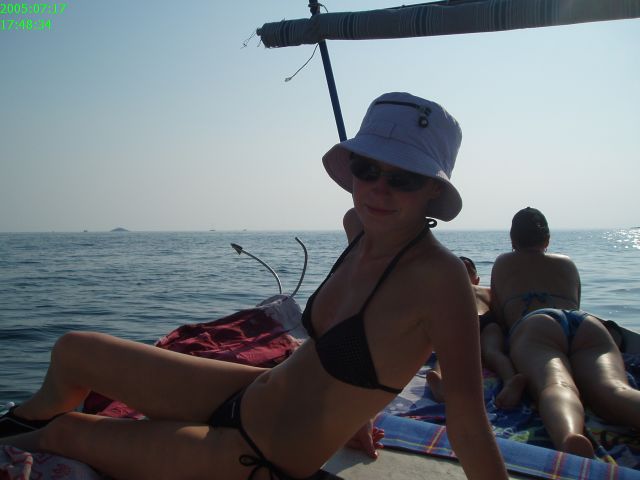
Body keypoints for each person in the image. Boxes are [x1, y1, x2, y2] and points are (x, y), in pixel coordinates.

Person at [0, 93, 508, 480]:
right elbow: (377, 349)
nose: (378, 187)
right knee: (75, 350)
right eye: (367, 167)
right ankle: (18, 422)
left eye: (404, 178)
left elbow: (467, 420)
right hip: (250, 392)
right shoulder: (358, 228)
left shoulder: (440, 279)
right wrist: (356, 414)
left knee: (67, 433)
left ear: (433, 189)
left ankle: (22, 435)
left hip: (262, 452)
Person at [490, 207, 640, 458]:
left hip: (537, 325)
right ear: (547, 240)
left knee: (556, 384)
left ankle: (569, 436)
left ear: (513, 240)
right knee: (614, 389)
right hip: (585, 324)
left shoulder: (504, 262)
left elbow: (499, 314)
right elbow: (575, 303)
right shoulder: (567, 262)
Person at [427, 256, 526, 408]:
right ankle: (509, 380)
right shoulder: (487, 291)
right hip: (488, 321)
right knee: (493, 352)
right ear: (477, 280)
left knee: (449, 352)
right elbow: (500, 313)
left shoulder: (447, 291)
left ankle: (439, 378)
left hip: (462, 321)